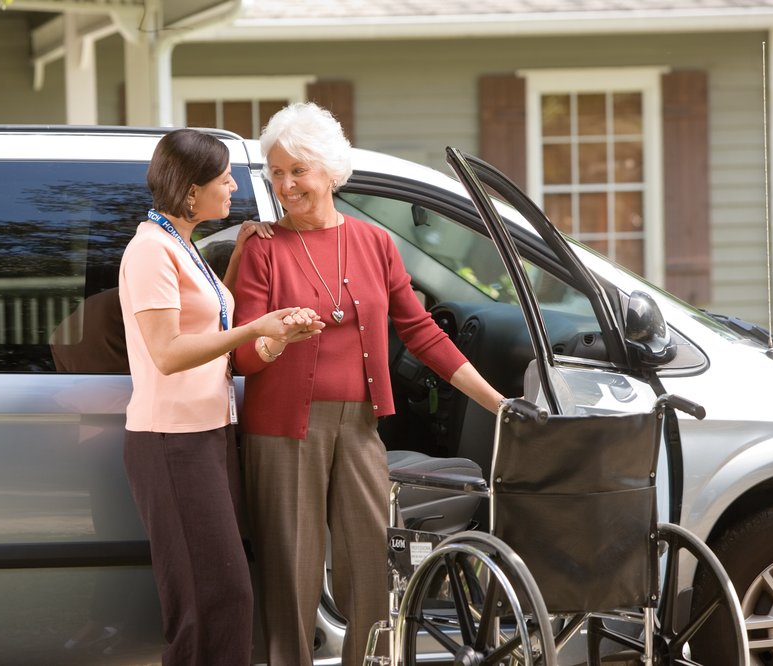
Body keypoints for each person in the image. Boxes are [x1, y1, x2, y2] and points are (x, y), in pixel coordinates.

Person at [231, 102, 506, 666]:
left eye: (297, 171)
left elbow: (423, 333)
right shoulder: (263, 247)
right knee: (291, 580)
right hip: (283, 433)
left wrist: (498, 403)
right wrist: (279, 337)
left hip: (359, 427)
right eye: (276, 172)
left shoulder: (374, 244)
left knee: (372, 570)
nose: (285, 185)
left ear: (329, 170)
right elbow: (243, 358)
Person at [118, 128, 324, 666]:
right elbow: (167, 352)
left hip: (208, 435)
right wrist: (259, 325)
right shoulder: (150, 251)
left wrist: (265, 323)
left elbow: (211, 313)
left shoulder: (180, 244)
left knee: (221, 596)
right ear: (191, 190)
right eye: (225, 177)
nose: (234, 185)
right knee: (213, 600)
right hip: (173, 442)